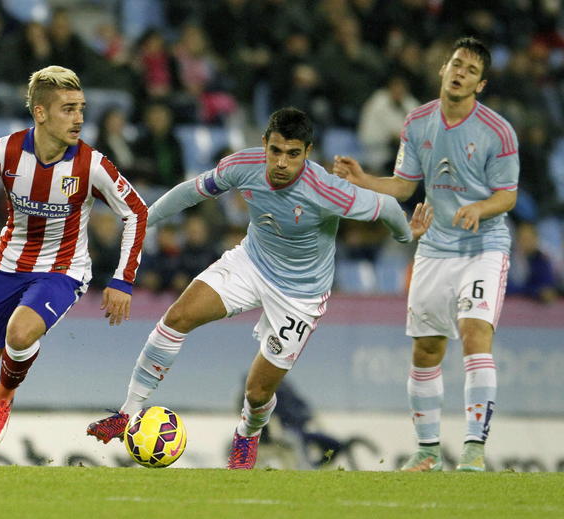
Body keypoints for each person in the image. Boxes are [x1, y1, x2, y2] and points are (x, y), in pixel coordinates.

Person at [87, 106, 431, 469]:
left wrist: (406, 235)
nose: (282, 162)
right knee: (178, 317)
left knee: (257, 391)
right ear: (264, 143)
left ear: (308, 152)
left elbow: (387, 207)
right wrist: (143, 222)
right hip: (251, 263)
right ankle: (127, 413)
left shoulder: (328, 190)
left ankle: (248, 434)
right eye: (275, 150)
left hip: (300, 295)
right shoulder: (243, 165)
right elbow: (191, 192)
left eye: (293, 154)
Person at [0, 65, 148, 465]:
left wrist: (123, 279)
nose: (79, 118)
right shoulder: (6, 151)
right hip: (8, 265)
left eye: (81, 108)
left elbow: (136, 211)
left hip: (62, 269)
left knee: (19, 334)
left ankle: (3, 398)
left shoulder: (92, 165)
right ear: (40, 112)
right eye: (68, 109)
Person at [333, 37, 519, 472]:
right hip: (435, 247)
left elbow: (508, 195)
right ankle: (428, 451)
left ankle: (473, 449)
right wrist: (364, 180)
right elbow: (404, 186)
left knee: (475, 335)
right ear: (443, 69)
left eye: (471, 71)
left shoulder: (498, 131)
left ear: (481, 84)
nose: (460, 73)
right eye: (456, 64)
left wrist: (480, 208)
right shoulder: (417, 122)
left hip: (483, 247)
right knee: (427, 350)